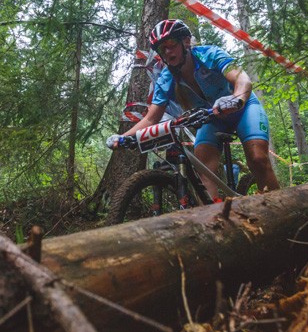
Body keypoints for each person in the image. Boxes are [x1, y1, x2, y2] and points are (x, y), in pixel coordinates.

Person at [108, 19, 279, 200]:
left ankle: (278, 205)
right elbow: (151, 118)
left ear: (186, 41)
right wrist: (123, 137)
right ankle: (214, 214)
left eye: (171, 44)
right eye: (162, 49)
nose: (167, 52)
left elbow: (242, 80)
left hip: (243, 108)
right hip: (212, 118)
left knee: (258, 158)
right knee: (204, 171)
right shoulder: (166, 79)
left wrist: (236, 99)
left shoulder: (210, 54)